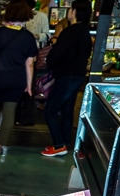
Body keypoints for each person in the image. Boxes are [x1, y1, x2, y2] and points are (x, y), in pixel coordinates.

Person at [0, 0, 38, 157]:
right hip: (15, 80)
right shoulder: (28, 37)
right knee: (9, 114)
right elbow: (30, 64)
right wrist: (28, 86)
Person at [41, 0, 92, 157]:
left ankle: (58, 144)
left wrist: (49, 61)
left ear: (75, 12)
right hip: (78, 75)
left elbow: (57, 54)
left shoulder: (69, 32)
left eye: (70, 9)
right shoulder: (85, 32)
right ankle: (65, 143)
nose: (69, 12)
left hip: (66, 75)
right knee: (67, 109)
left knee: (50, 109)